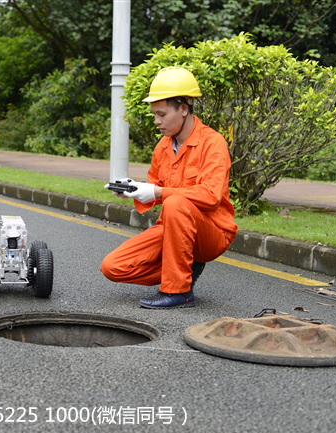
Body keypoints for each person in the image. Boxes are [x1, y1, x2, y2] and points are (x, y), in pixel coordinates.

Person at [100, 67, 238, 309]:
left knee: (175, 202)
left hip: (212, 233)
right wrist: (135, 189)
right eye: (154, 114)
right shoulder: (163, 146)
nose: (156, 121)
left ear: (184, 108)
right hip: (173, 230)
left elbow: (210, 196)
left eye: (162, 114)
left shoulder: (212, 142)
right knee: (112, 267)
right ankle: (183, 269)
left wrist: (158, 192)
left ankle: (179, 292)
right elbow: (156, 187)